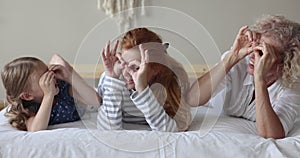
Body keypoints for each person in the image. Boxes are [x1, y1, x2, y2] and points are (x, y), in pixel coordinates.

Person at [187, 15, 300, 139]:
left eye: (262, 52)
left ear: (286, 62)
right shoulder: (240, 63)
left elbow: (271, 134)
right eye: (255, 45)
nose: (252, 55)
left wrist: (259, 79)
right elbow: (193, 99)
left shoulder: (292, 86)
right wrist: (231, 58)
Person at [97, 28, 191, 132]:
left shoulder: (171, 82)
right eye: (123, 63)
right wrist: (112, 78)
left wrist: (142, 90)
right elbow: (107, 131)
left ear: (156, 68)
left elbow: (173, 131)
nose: (126, 74)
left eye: (135, 67)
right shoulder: (115, 80)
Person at [1, 54, 101, 132]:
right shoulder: (28, 108)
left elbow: (96, 101)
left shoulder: (62, 88)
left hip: (87, 103)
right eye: (45, 78)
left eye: (48, 71)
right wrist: (49, 95)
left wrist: (70, 75)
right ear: (27, 96)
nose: (52, 77)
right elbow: (36, 129)